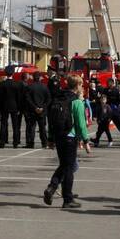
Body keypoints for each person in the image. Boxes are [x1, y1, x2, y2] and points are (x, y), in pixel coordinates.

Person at [43, 75, 90, 209]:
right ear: (76, 86)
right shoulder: (76, 101)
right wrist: (86, 140)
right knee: (68, 169)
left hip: (59, 136)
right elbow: (81, 124)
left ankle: (52, 188)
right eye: (81, 85)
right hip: (70, 136)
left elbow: (51, 120)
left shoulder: (58, 98)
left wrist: (51, 139)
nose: (82, 87)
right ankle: (67, 199)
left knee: (64, 165)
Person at [24, 73, 50, 148]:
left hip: (32, 111)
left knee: (31, 128)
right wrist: (42, 107)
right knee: (42, 128)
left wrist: (35, 107)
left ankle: (30, 143)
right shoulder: (44, 87)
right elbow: (48, 99)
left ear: (33, 78)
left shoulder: (30, 87)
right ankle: (44, 143)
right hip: (42, 111)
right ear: (40, 78)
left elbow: (27, 99)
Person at [0, 76, 24, 148]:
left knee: (3, 125)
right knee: (15, 126)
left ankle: (2, 143)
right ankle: (15, 143)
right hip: (14, 106)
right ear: (12, 74)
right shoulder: (16, 84)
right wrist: (19, 108)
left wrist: (0, 107)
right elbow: (18, 97)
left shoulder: (2, 84)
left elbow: (0, 97)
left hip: (4, 106)